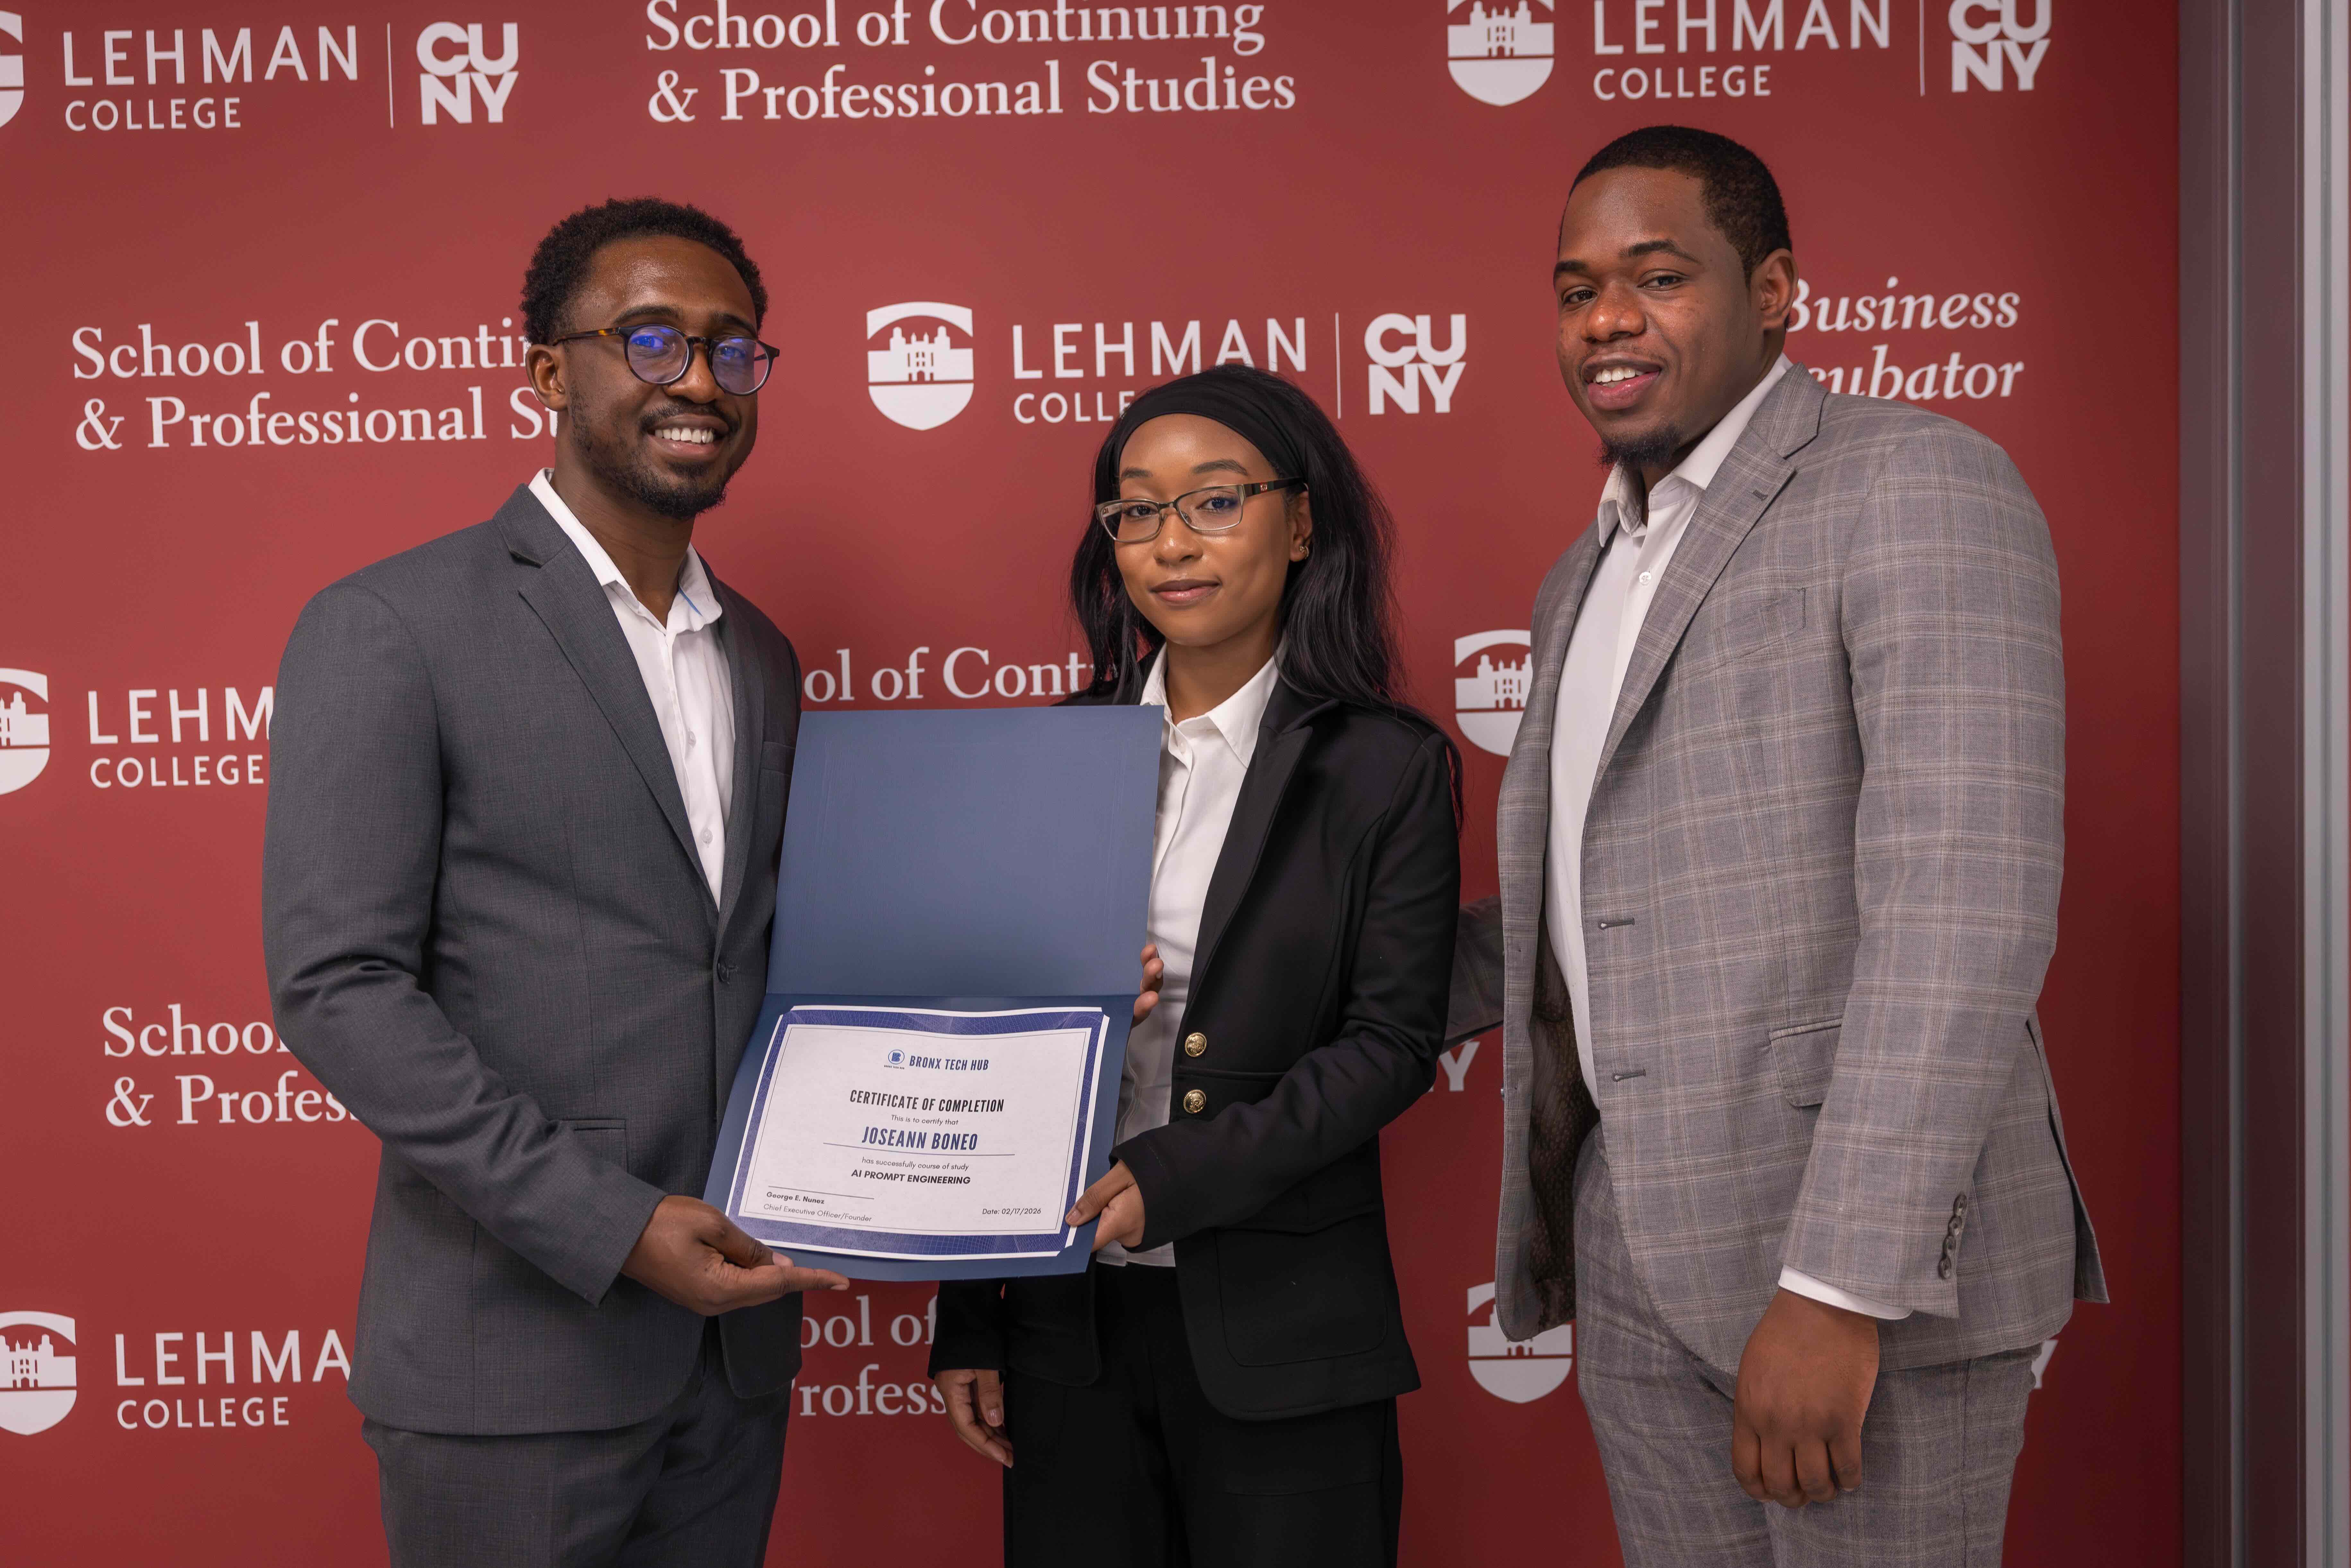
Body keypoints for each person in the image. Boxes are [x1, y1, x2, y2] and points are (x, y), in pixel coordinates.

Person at [1459, 125, 2108, 1565]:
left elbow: (1965, 905)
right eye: (1574, 290)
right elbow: (1597, 901)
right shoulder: (1585, 569)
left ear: (1774, 292)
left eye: (1655, 276)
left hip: (1848, 1267)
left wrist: (1835, 1285)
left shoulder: (1917, 483)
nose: (1604, 321)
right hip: (1634, 1240)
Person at [262, 198, 849, 1568]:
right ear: (546, 373)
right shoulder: (391, 625)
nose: (698, 380)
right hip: (510, 1365)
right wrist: (614, 1221)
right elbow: (338, 989)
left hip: (730, 1363)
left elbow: (756, 963)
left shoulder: (759, 656)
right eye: (650, 341)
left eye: (731, 349)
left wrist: (1025, 992)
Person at [929, 365, 1461, 1567]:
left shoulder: (1383, 769)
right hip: (1068, 1334)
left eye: (1216, 502)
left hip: (1288, 1337)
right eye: (1137, 510)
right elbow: (982, 1042)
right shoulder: (1054, 757)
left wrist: (1176, 1175)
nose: (1173, 543)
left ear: (1303, 519)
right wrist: (970, 1316)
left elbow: (1387, 1049)